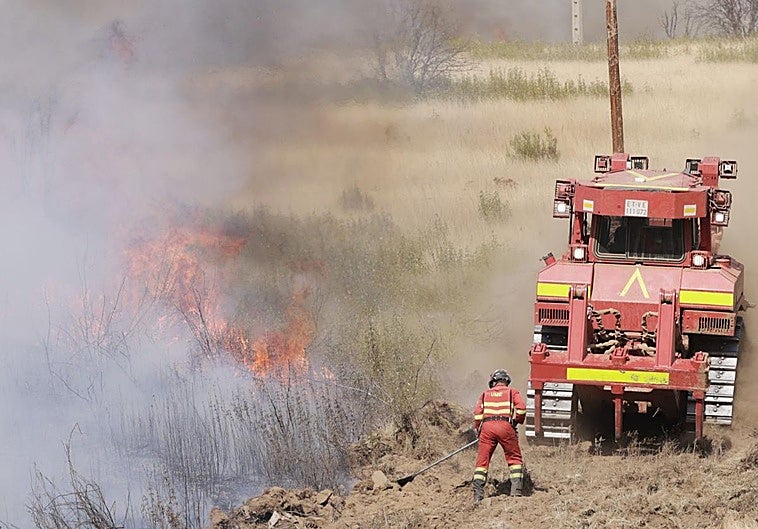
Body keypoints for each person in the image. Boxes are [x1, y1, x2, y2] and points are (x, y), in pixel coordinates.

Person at [472, 369, 527, 502]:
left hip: (487, 428)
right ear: (506, 381)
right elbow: (522, 408)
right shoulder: (512, 392)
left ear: (493, 382)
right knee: (514, 458)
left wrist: (478, 429)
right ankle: (516, 491)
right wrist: (517, 421)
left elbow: (478, 414)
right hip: (505, 426)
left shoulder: (484, 394)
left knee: (482, 462)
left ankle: (478, 495)